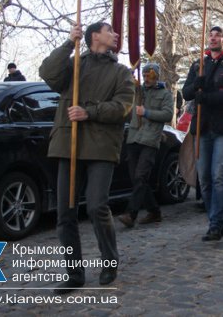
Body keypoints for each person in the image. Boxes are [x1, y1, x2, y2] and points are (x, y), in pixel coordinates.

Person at [39, 22, 134, 293]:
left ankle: (109, 260)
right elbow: (48, 73)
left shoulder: (121, 72)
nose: (116, 34)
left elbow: (123, 107)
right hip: (68, 143)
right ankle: (74, 273)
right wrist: (70, 42)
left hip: (101, 147)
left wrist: (89, 112)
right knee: (65, 212)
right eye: (110, 30)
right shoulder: (74, 66)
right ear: (95, 35)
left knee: (96, 205)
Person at [182, 26, 223, 241]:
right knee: (205, 178)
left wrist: (208, 98)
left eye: (218, 35)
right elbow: (186, 92)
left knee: (219, 176)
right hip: (202, 126)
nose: (213, 38)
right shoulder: (198, 64)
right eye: (210, 35)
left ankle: (216, 224)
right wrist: (195, 86)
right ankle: (214, 219)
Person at [117, 63, 173, 228]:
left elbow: (168, 114)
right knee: (137, 179)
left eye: (151, 75)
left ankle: (130, 214)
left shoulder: (165, 94)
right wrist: (130, 71)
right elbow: (125, 83)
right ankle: (154, 211)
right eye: (145, 75)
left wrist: (147, 113)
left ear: (156, 76)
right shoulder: (138, 91)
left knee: (141, 176)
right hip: (134, 137)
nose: (147, 78)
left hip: (150, 139)